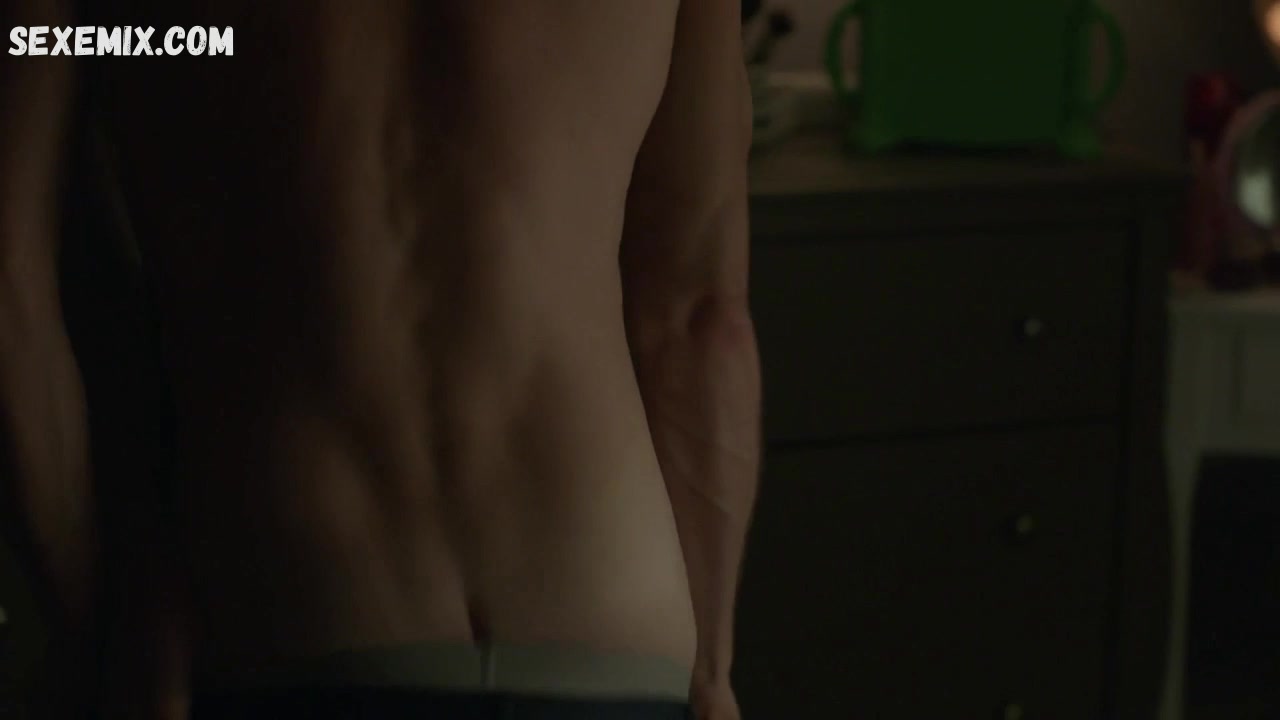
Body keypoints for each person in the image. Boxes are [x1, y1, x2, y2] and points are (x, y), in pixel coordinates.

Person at [0, 1, 761, 718]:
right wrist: (712, 675)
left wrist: (104, 634)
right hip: (612, 617)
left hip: (290, 606)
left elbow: (15, 291)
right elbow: (700, 318)